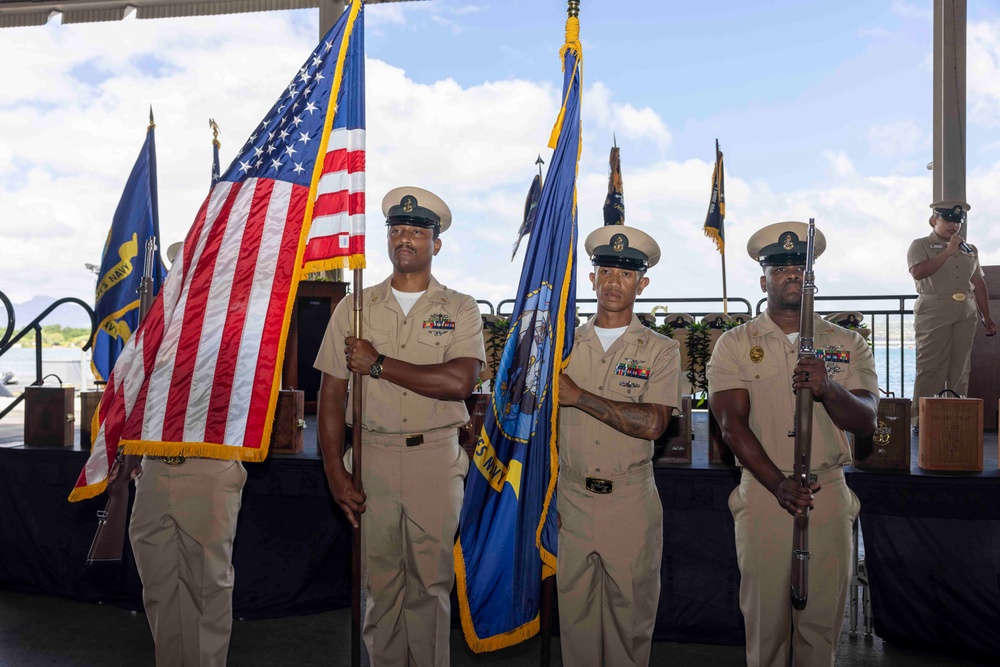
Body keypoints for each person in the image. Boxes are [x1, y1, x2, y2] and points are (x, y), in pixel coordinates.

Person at [314, 186, 485, 666]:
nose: (404, 238)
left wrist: (378, 363)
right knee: (380, 586)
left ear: (437, 243)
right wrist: (334, 469)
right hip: (372, 459)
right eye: (396, 229)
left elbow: (459, 380)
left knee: (430, 587)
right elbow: (330, 394)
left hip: (434, 458)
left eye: (416, 230)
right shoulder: (355, 307)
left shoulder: (459, 308)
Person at [707, 221, 878, 667]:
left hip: (828, 492)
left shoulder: (847, 342)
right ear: (762, 278)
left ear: (813, 275)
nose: (791, 276)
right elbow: (730, 425)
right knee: (765, 628)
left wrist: (829, 388)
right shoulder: (735, 344)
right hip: (766, 493)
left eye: (800, 267)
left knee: (821, 630)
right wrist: (778, 484)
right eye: (779, 267)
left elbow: (866, 421)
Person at [557, 225, 681, 666]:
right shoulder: (561, 345)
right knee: (575, 631)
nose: (613, 281)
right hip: (570, 499)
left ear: (641, 284)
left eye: (625, 275)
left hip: (629, 502)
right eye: (604, 270)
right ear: (591, 278)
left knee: (630, 631)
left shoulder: (661, 351)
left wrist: (579, 397)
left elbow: (653, 424)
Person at [907, 200, 996, 433]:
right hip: (934, 309)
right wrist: (947, 253)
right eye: (948, 220)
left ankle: (956, 413)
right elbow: (918, 272)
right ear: (934, 220)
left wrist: (987, 316)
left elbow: (978, 282)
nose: (953, 226)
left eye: (957, 222)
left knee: (961, 367)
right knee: (930, 366)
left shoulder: (970, 250)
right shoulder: (921, 245)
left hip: (965, 311)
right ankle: (922, 419)